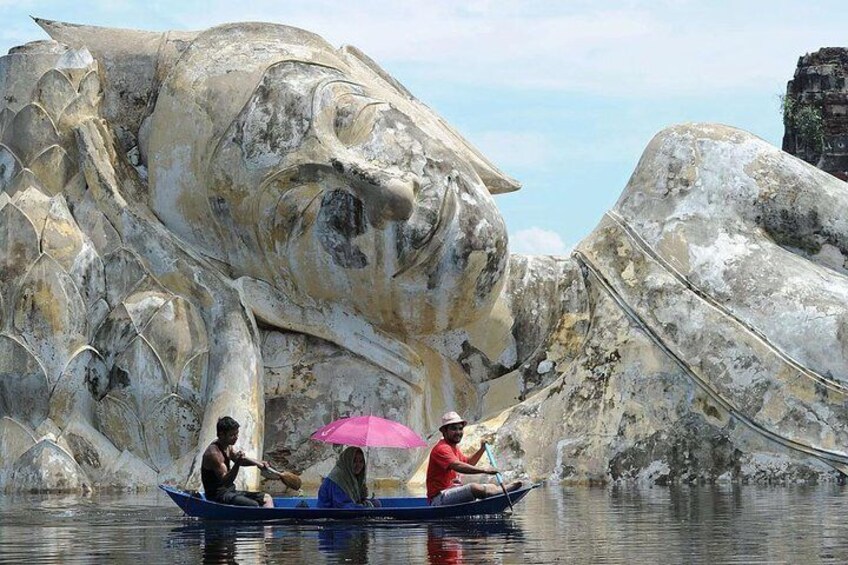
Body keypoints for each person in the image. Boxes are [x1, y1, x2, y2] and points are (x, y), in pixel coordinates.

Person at [426, 412, 522, 506]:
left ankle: (499, 491)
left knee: (491, 486)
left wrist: (482, 449)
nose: (458, 432)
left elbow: (468, 463)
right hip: (439, 498)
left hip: (450, 492)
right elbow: (458, 466)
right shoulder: (442, 448)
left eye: (460, 429)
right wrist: (485, 470)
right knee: (474, 488)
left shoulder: (453, 447)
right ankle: (501, 492)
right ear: (444, 431)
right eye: (454, 429)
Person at [200, 416, 274, 507]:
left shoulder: (227, 446)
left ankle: (268, 519)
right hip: (218, 496)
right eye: (232, 435)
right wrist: (237, 463)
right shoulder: (214, 454)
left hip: (231, 491)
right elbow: (226, 481)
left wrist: (258, 463)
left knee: (266, 498)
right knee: (253, 505)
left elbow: (240, 460)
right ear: (222, 434)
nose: (236, 437)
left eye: (237, 434)